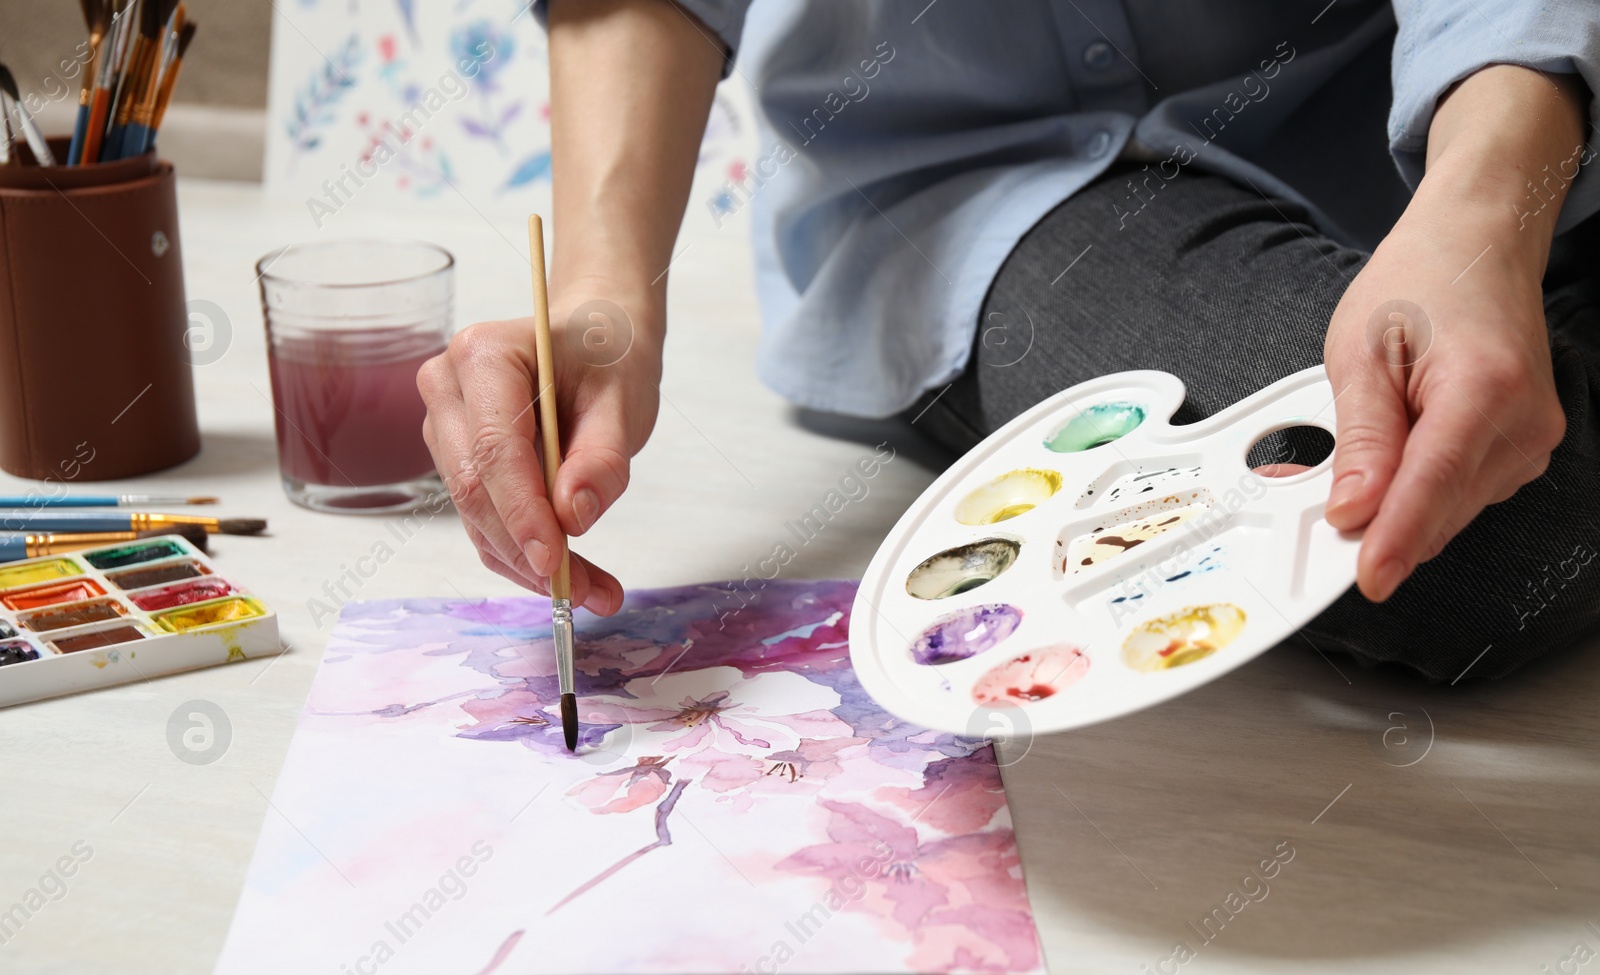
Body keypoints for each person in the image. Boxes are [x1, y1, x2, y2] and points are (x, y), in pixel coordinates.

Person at [418, 0, 1600, 682]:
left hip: (1421, 104)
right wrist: (600, 297)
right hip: (985, 186)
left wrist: (1485, 204)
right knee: (1470, 519)